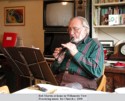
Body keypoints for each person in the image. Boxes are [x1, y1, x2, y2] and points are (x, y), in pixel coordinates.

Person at [51, 16, 104, 90]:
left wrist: (76, 53)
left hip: (81, 85)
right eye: (69, 29)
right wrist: (58, 61)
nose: (71, 32)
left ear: (86, 30)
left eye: (75, 29)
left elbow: (97, 72)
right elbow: (53, 71)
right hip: (58, 82)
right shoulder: (67, 45)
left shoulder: (95, 45)